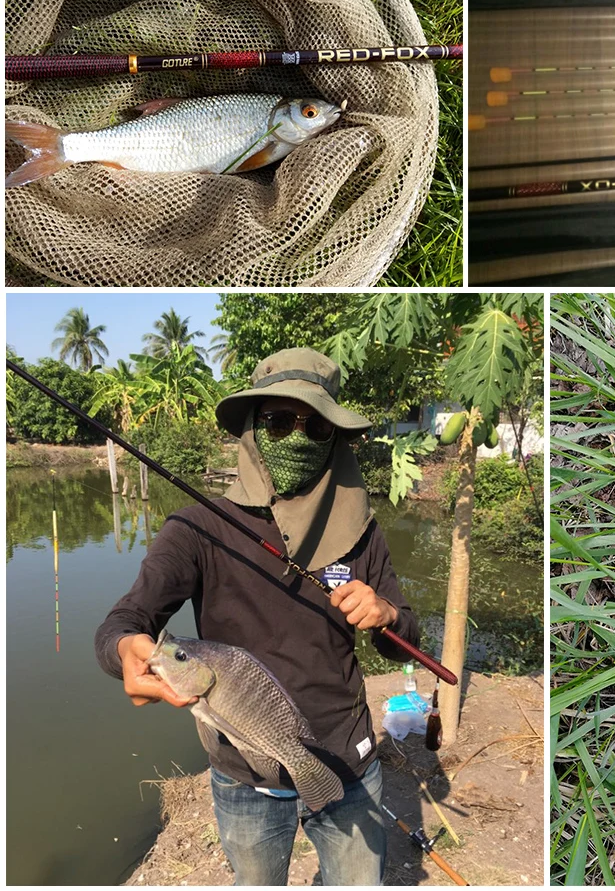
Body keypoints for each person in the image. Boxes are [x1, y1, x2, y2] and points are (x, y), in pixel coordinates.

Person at [95, 348, 419, 886]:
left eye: (316, 427)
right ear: (252, 428)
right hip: (243, 773)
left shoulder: (364, 531)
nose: (296, 435)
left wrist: (385, 615)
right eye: (278, 420)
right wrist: (124, 650)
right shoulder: (197, 527)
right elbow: (126, 620)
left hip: (348, 758)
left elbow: (405, 639)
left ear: (335, 439)